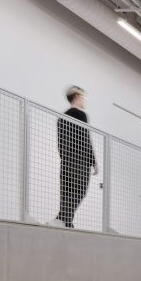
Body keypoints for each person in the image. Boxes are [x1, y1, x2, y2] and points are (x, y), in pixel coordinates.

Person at [51, 86, 97, 228]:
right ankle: (62, 220)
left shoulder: (62, 117)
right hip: (79, 161)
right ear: (77, 97)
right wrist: (93, 161)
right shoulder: (80, 115)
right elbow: (85, 138)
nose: (85, 101)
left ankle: (65, 222)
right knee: (79, 191)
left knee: (67, 194)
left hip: (66, 162)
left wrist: (65, 158)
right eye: (84, 97)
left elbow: (61, 143)